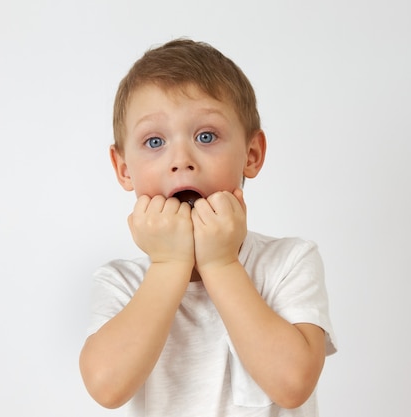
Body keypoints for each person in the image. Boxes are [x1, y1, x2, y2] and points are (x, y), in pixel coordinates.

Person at [79, 38, 337, 417]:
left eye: (206, 136)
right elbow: (106, 387)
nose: (181, 160)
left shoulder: (289, 261)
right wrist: (168, 265)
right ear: (123, 169)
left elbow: (293, 384)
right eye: (154, 141)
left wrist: (220, 264)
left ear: (251, 155)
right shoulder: (121, 282)